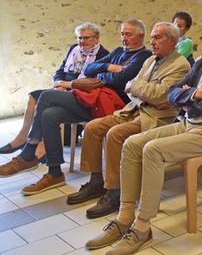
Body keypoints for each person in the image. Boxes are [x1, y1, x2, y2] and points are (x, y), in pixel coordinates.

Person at [85, 15, 202, 254]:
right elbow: (172, 94)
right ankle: (124, 218)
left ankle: (142, 227)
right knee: (132, 143)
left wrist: (188, 98)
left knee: (152, 150)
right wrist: (196, 94)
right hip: (187, 123)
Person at [0, 20, 151, 194]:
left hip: (112, 106)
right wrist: (109, 67)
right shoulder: (118, 51)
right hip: (93, 100)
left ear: (141, 35)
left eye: (128, 34)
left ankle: (29, 152)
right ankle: (55, 173)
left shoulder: (143, 56)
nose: (124, 38)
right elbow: (89, 70)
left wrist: (102, 76)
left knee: (46, 96)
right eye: (122, 34)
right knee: (50, 114)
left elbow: (120, 79)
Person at [66, 22, 190, 219]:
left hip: (156, 117)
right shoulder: (150, 60)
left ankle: (115, 192)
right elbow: (129, 88)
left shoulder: (181, 64)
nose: (152, 42)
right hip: (133, 109)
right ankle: (96, 181)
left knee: (116, 134)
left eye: (158, 38)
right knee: (93, 127)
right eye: (152, 37)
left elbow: (159, 96)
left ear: (172, 41)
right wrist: (142, 90)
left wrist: (139, 88)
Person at [0, 22, 109, 157]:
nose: (82, 41)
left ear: (97, 38)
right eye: (79, 38)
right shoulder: (74, 49)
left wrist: (67, 85)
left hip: (80, 95)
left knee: (47, 102)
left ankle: (39, 148)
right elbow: (60, 71)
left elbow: (92, 83)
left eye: (86, 38)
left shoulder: (104, 55)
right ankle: (22, 139)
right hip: (62, 89)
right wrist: (59, 83)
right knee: (33, 97)